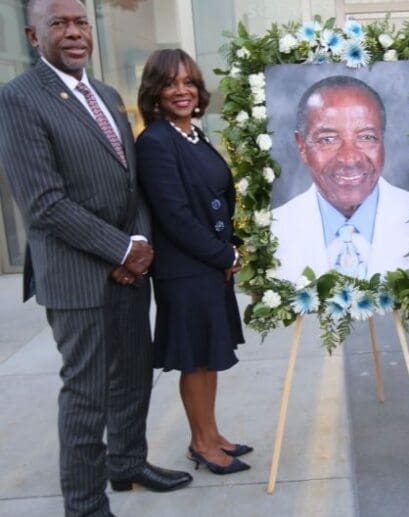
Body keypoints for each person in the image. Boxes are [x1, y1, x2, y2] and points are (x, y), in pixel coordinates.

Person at [0, 1, 192, 514]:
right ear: (33, 35)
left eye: (81, 22)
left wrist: (139, 247)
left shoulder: (105, 94)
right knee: (87, 392)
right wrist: (121, 247)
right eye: (58, 23)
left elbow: (132, 185)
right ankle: (85, 504)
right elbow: (44, 203)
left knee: (133, 373)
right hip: (77, 277)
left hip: (128, 273)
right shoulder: (18, 99)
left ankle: (127, 463)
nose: (73, 32)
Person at [136, 49, 250, 475]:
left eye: (187, 82)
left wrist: (228, 248)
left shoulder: (192, 134)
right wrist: (225, 254)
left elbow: (217, 197)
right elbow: (175, 216)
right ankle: (202, 443)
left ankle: (211, 432)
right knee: (194, 359)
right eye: (170, 83)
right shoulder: (155, 142)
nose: (181, 91)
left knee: (208, 354)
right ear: (155, 92)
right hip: (183, 271)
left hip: (207, 266)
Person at [271, 75, 409, 281]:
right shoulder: (273, 229)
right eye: (328, 139)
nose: (349, 159)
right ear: (301, 146)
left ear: (383, 140)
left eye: (366, 137)